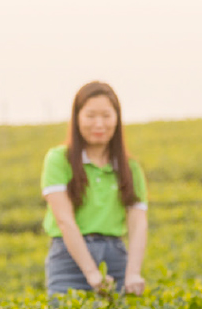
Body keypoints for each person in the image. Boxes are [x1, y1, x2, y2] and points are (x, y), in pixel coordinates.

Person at [41, 81, 148, 296]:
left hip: (115, 257)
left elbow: (138, 221)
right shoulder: (58, 160)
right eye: (90, 116)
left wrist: (132, 272)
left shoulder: (131, 168)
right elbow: (64, 220)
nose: (99, 124)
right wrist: (91, 273)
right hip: (68, 259)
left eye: (106, 116)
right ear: (77, 118)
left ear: (117, 119)